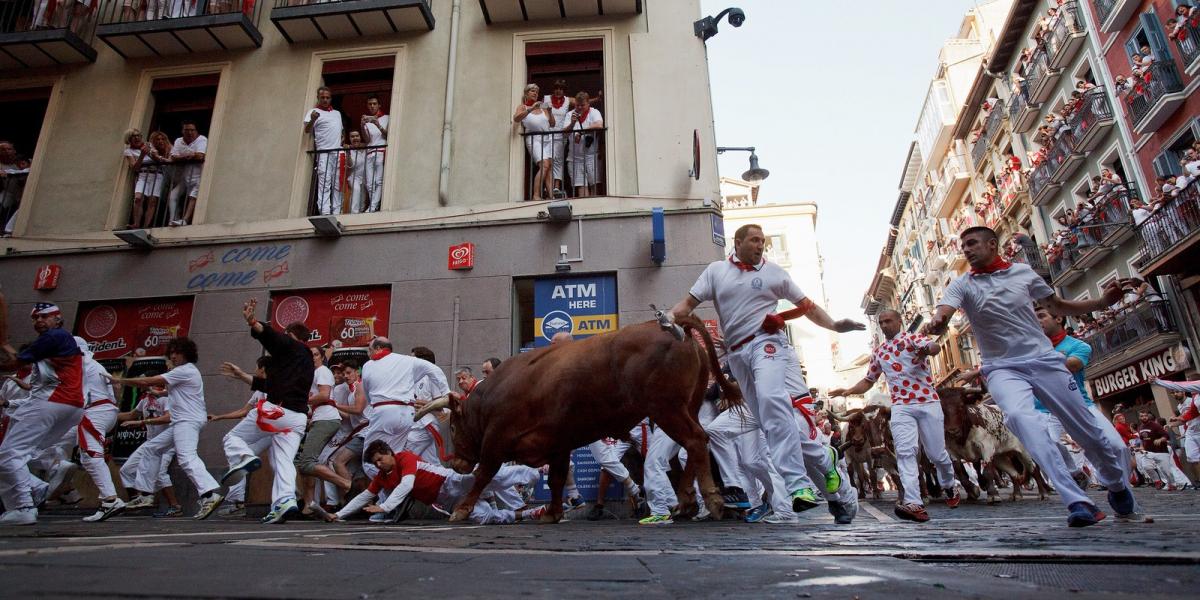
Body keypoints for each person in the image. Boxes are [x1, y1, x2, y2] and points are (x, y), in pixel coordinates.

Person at [922, 226, 1140, 526]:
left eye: (972, 243)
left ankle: (1115, 484)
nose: (967, 250)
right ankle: (1076, 500)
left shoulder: (1023, 274)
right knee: (1020, 420)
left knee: (1088, 432)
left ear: (992, 244)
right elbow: (944, 314)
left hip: (1044, 362)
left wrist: (1102, 303)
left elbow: (1058, 306)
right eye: (963, 245)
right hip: (1001, 368)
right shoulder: (961, 285)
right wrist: (936, 322)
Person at [669, 223, 865, 516]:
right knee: (771, 423)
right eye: (754, 240)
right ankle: (829, 467)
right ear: (737, 242)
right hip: (737, 355)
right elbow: (686, 305)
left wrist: (835, 325)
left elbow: (807, 307)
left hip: (767, 343)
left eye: (763, 241)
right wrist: (667, 319)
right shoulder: (716, 272)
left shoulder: (775, 273)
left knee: (772, 401)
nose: (761, 245)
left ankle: (798, 485)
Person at [829, 309, 960, 523]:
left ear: (900, 321)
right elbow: (869, 381)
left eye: (888, 320)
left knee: (937, 454)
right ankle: (913, 502)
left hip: (927, 402)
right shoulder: (879, 352)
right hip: (901, 406)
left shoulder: (913, 338)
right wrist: (846, 390)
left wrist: (929, 349)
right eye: (881, 322)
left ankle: (948, 484)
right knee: (906, 452)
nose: (884, 325)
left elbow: (933, 347)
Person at [106, 337, 223, 520]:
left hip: (187, 421)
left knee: (186, 457)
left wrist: (121, 380)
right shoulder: (185, 373)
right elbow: (176, 391)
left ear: (187, 353)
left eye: (177, 353)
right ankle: (145, 494)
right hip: (182, 421)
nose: (173, 356)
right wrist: (160, 393)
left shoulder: (185, 370)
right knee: (152, 449)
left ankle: (209, 495)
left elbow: (148, 381)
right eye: (172, 353)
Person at [0, 304, 86, 526]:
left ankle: (23, 507)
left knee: (8, 454)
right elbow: (19, 359)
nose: (39, 320)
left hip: (52, 402)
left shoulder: (54, 336)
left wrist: (6, 347)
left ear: (58, 319)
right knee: (26, 452)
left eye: (44, 316)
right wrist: (7, 347)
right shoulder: (60, 342)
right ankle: (38, 486)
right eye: (35, 317)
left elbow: (17, 361)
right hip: (71, 407)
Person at [324, 441, 544, 524]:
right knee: (481, 516)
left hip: (451, 483)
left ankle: (539, 471)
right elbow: (364, 496)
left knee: (494, 478)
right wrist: (340, 514)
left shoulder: (405, 457)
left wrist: (385, 506)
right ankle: (526, 514)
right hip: (444, 501)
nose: (379, 465)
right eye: (375, 463)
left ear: (389, 452)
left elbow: (407, 484)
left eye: (380, 459)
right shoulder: (383, 475)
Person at [359, 336, 450, 487]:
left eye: (370, 350)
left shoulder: (370, 365)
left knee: (372, 459)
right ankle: (451, 484)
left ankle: (393, 493)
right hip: (408, 419)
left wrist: (446, 395)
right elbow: (435, 371)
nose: (369, 354)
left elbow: (368, 394)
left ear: (377, 349)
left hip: (421, 423)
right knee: (428, 463)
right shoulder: (406, 365)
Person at [1032, 306, 1102, 490]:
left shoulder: (1079, 346)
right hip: (1044, 407)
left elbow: (1073, 365)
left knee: (1107, 445)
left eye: (1041, 316)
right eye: (1033, 318)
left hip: (1077, 404)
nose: (1037, 321)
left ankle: (1115, 485)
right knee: (1048, 443)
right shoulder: (1030, 348)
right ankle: (1074, 472)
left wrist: (1045, 357)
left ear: (1058, 319)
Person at [208, 356, 269, 517]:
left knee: (231, 440)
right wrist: (220, 417)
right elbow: (244, 410)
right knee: (280, 463)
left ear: (262, 369)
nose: (255, 370)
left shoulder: (273, 384)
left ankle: (246, 457)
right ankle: (238, 501)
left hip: (269, 420)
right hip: (278, 429)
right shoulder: (258, 391)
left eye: (256, 367)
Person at [72, 337, 126, 522]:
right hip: (102, 411)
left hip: (95, 412)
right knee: (87, 456)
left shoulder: (82, 364)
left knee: (91, 455)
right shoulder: (93, 364)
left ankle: (110, 499)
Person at [295, 345, 350, 514]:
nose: (312, 357)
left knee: (305, 463)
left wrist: (299, 399)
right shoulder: (314, 373)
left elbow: (324, 395)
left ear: (321, 357)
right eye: (309, 355)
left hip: (326, 419)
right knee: (309, 462)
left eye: (315, 354)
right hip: (321, 418)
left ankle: (345, 483)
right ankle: (309, 504)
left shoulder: (322, 371)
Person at [117, 378, 182, 516]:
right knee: (126, 470)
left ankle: (175, 506)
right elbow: (131, 414)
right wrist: (107, 415)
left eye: (144, 381)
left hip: (165, 443)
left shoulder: (165, 398)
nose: (141, 383)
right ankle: (138, 500)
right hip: (150, 442)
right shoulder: (145, 399)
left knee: (160, 473)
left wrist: (142, 421)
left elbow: (168, 418)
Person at [405, 347, 452, 466]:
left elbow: (442, 405)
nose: (410, 362)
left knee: (406, 455)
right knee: (430, 463)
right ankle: (447, 481)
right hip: (415, 424)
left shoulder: (432, 378)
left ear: (422, 362)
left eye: (413, 359)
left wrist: (424, 404)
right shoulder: (414, 379)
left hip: (425, 426)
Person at [304, 86, 345, 215]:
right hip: (324, 153)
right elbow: (307, 130)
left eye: (327, 97)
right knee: (325, 183)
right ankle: (325, 211)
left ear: (331, 98)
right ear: (318, 98)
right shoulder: (313, 111)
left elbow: (341, 131)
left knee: (337, 184)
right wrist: (313, 119)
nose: (325, 100)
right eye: (323, 97)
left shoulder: (336, 113)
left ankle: (337, 211)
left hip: (337, 152)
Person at [514, 83, 553, 202]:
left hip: (547, 139)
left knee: (548, 167)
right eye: (532, 91)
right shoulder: (523, 107)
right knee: (544, 165)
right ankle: (536, 194)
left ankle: (551, 195)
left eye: (536, 92)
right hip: (534, 139)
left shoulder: (543, 109)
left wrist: (550, 112)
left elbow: (552, 124)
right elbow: (516, 118)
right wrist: (531, 108)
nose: (535, 93)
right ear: (526, 94)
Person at [166, 121, 206, 227]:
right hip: (185, 176)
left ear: (196, 131)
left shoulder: (202, 139)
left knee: (193, 197)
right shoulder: (179, 141)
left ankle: (185, 220)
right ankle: (173, 219)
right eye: (187, 130)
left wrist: (188, 156)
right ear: (182, 131)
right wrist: (189, 156)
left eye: (192, 130)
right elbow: (173, 157)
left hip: (199, 176)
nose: (189, 132)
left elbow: (201, 156)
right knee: (173, 195)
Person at [565, 91, 603, 198]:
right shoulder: (570, 114)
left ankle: (594, 209)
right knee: (581, 186)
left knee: (595, 184)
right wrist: (572, 123)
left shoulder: (594, 112)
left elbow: (599, 125)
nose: (580, 107)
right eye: (577, 105)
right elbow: (564, 134)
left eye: (582, 105)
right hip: (575, 158)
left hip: (592, 155)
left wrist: (582, 131)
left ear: (588, 104)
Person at [1136, 410, 1186, 490]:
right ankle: (1157, 481)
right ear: (1139, 417)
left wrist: (1160, 440)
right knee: (1146, 466)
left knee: (1166, 471)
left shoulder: (1155, 425)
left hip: (1160, 451)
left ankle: (1173, 484)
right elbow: (1142, 439)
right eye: (1142, 416)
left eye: (1145, 415)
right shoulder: (1140, 427)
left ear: (1148, 416)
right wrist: (1141, 447)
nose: (1144, 417)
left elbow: (1166, 436)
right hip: (1148, 452)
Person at [122, 128, 160, 230]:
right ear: (129, 139)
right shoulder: (128, 151)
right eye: (134, 136)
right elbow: (135, 167)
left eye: (138, 135)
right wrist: (142, 155)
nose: (137, 138)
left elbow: (157, 159)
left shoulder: (149, 145)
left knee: (152, 201)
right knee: (138, 198)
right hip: (143, 175)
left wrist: (150, 152)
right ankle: (136, 223)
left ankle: (146, 226)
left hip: (156, 175)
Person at [1159, 379, 1200, 471]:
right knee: (1191, 458)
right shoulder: (1179, 406)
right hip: (1189, 432)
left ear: (1184, 391)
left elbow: (1191, 415)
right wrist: (1171, 425)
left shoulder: (1191, 400)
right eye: (1174, 392)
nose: (1175, 394)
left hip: (1197, 430)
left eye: (1177, 391)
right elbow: (1185, 419)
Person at [543, 80, 573, 197]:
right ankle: (548, 186)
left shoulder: (567, 100)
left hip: (560, 135)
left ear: (564, 90)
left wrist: (597, 99)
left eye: (561, 88)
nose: (558, 90)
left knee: (558, 161)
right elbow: (538, 110)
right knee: (549, 160)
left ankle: (556, 187)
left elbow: (581, 101)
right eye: (556, 88)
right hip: (547, 133)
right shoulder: (546, 99)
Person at [360, 95, 388, 212]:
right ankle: (374, 205)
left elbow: (388, 135)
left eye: (374, 104)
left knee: (379, 181)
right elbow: (367, 140)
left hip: (381, 151)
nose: (372, 106)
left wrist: (378, 124)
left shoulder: (387, 117)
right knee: (369, 183)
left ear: (379, 105)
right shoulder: (367, 121)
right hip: (370, 152)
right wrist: (362, 125)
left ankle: (372, 207)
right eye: (370, 104)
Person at [344, 130, 368, 214]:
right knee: (356, 190)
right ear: (350, 139)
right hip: (354, 177)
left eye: (357, 136)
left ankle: (360, 213)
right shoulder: (350, 151)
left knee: (363, 198)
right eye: (352, 136)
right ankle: (353, 213)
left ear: (360, 137)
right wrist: (348, 153)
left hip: (365, 177)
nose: (355, 138)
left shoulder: (366, 149)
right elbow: (351, 166)